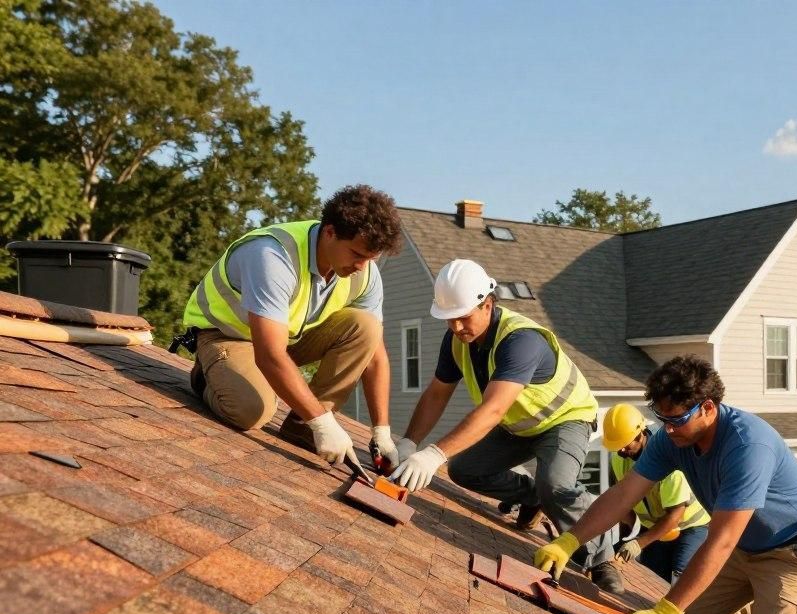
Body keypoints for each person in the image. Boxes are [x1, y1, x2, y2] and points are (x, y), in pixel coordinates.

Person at [536, 355, 797, 614]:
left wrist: (665, 613)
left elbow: (721, 540)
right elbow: (625, 493)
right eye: (661, 419)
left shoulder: (747, 446)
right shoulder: (673, 438)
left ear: (708, 408)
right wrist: (568, 542)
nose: (668, 430)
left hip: (795, 553)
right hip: (745, 548)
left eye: (677, 420)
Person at [391, 259, 623, 593]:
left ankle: (602, 557)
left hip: (565, 418)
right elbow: (437, 394)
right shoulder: (457, 340)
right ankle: (533, 498)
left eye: (463, 316)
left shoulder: (521, 340)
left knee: (556, 485)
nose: (455, 327)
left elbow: (494, 408)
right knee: (464, 469)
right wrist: (409, 442)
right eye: (448, 319)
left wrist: (433, 454)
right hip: (520, 425)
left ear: (487, 304)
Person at [180, 184, 412, 468]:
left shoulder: (364, 273)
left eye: (370, 259)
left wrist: (382, 432)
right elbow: (269, 356)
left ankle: (302, 425)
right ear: (330, 232)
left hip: (285, 339)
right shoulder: (273, 255)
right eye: (356, 254)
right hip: (228, 337)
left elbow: (375, 355)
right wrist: (324, 424)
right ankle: (208, 377)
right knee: (251, 411)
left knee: (366, 327)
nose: (363, 266)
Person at [602, 403, 709, 583]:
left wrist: (637, 543)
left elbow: (675, 515)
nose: (621, 450)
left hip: (690, 527)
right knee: (653, 578)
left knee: (681, 575)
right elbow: (620, 504)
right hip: (655, 528)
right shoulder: (618, 461)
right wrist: (621, 541)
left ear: (640, 434)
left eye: (625, 444)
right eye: (617, 446)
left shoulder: (668, 463)